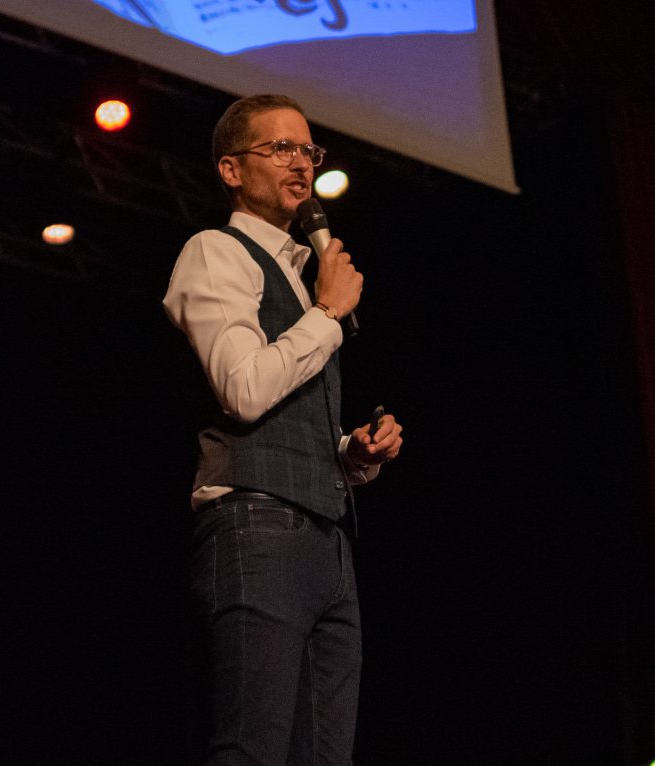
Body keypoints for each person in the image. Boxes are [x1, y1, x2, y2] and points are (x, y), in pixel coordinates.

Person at [162, 94, 404, 765]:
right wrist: (327, 315)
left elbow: (286, 417)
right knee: (252, 750)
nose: (301, 165)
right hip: (258, 528)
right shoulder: (216, 252)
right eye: (281, 149)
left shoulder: (302, 279)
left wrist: (353, 454)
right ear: (232, 170)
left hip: (328, 540)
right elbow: (242, 391)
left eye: (309, 151)